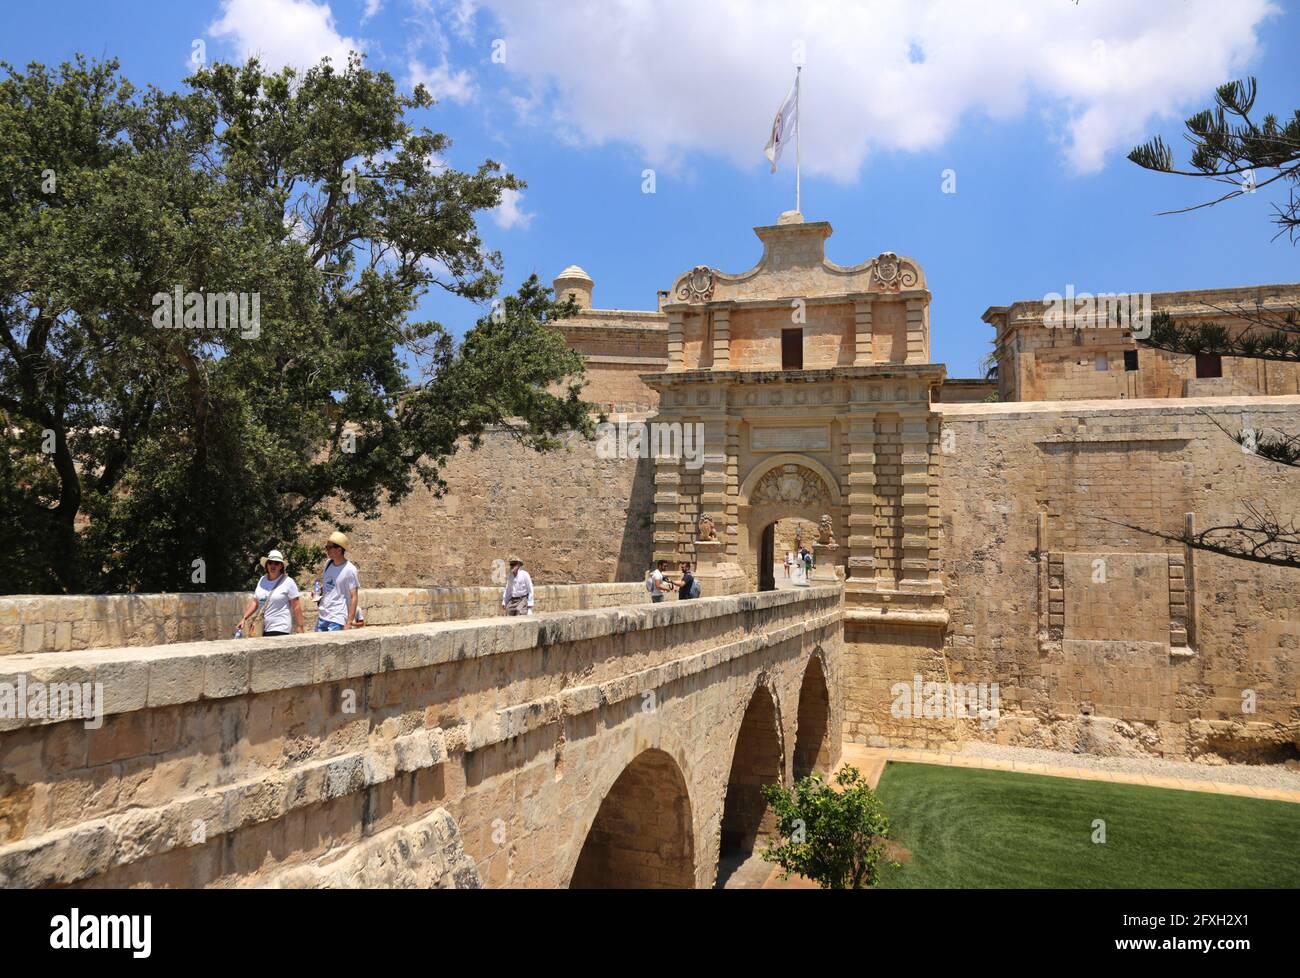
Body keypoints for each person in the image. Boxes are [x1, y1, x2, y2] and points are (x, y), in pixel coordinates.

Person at [237, 549, 303, 637]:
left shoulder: (288, 582)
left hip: (280, 628)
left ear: (281, 566)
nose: (273, 565)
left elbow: (296, 606)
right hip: (262, 627)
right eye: (270, 562)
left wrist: (300, 626)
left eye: (276, 563)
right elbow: (255, 603)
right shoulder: (262, 580)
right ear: (266, 565)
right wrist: (244, 618)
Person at [314, 531, 360, 631]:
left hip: (337, 618)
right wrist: (317, 594)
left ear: (339, 550)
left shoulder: (350, 570)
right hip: (322, 615)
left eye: (329, 547)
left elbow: (354, 597)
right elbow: (329, 587)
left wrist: (349, 622)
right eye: (326, 547)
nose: (327, 550)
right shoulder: (328, 564)